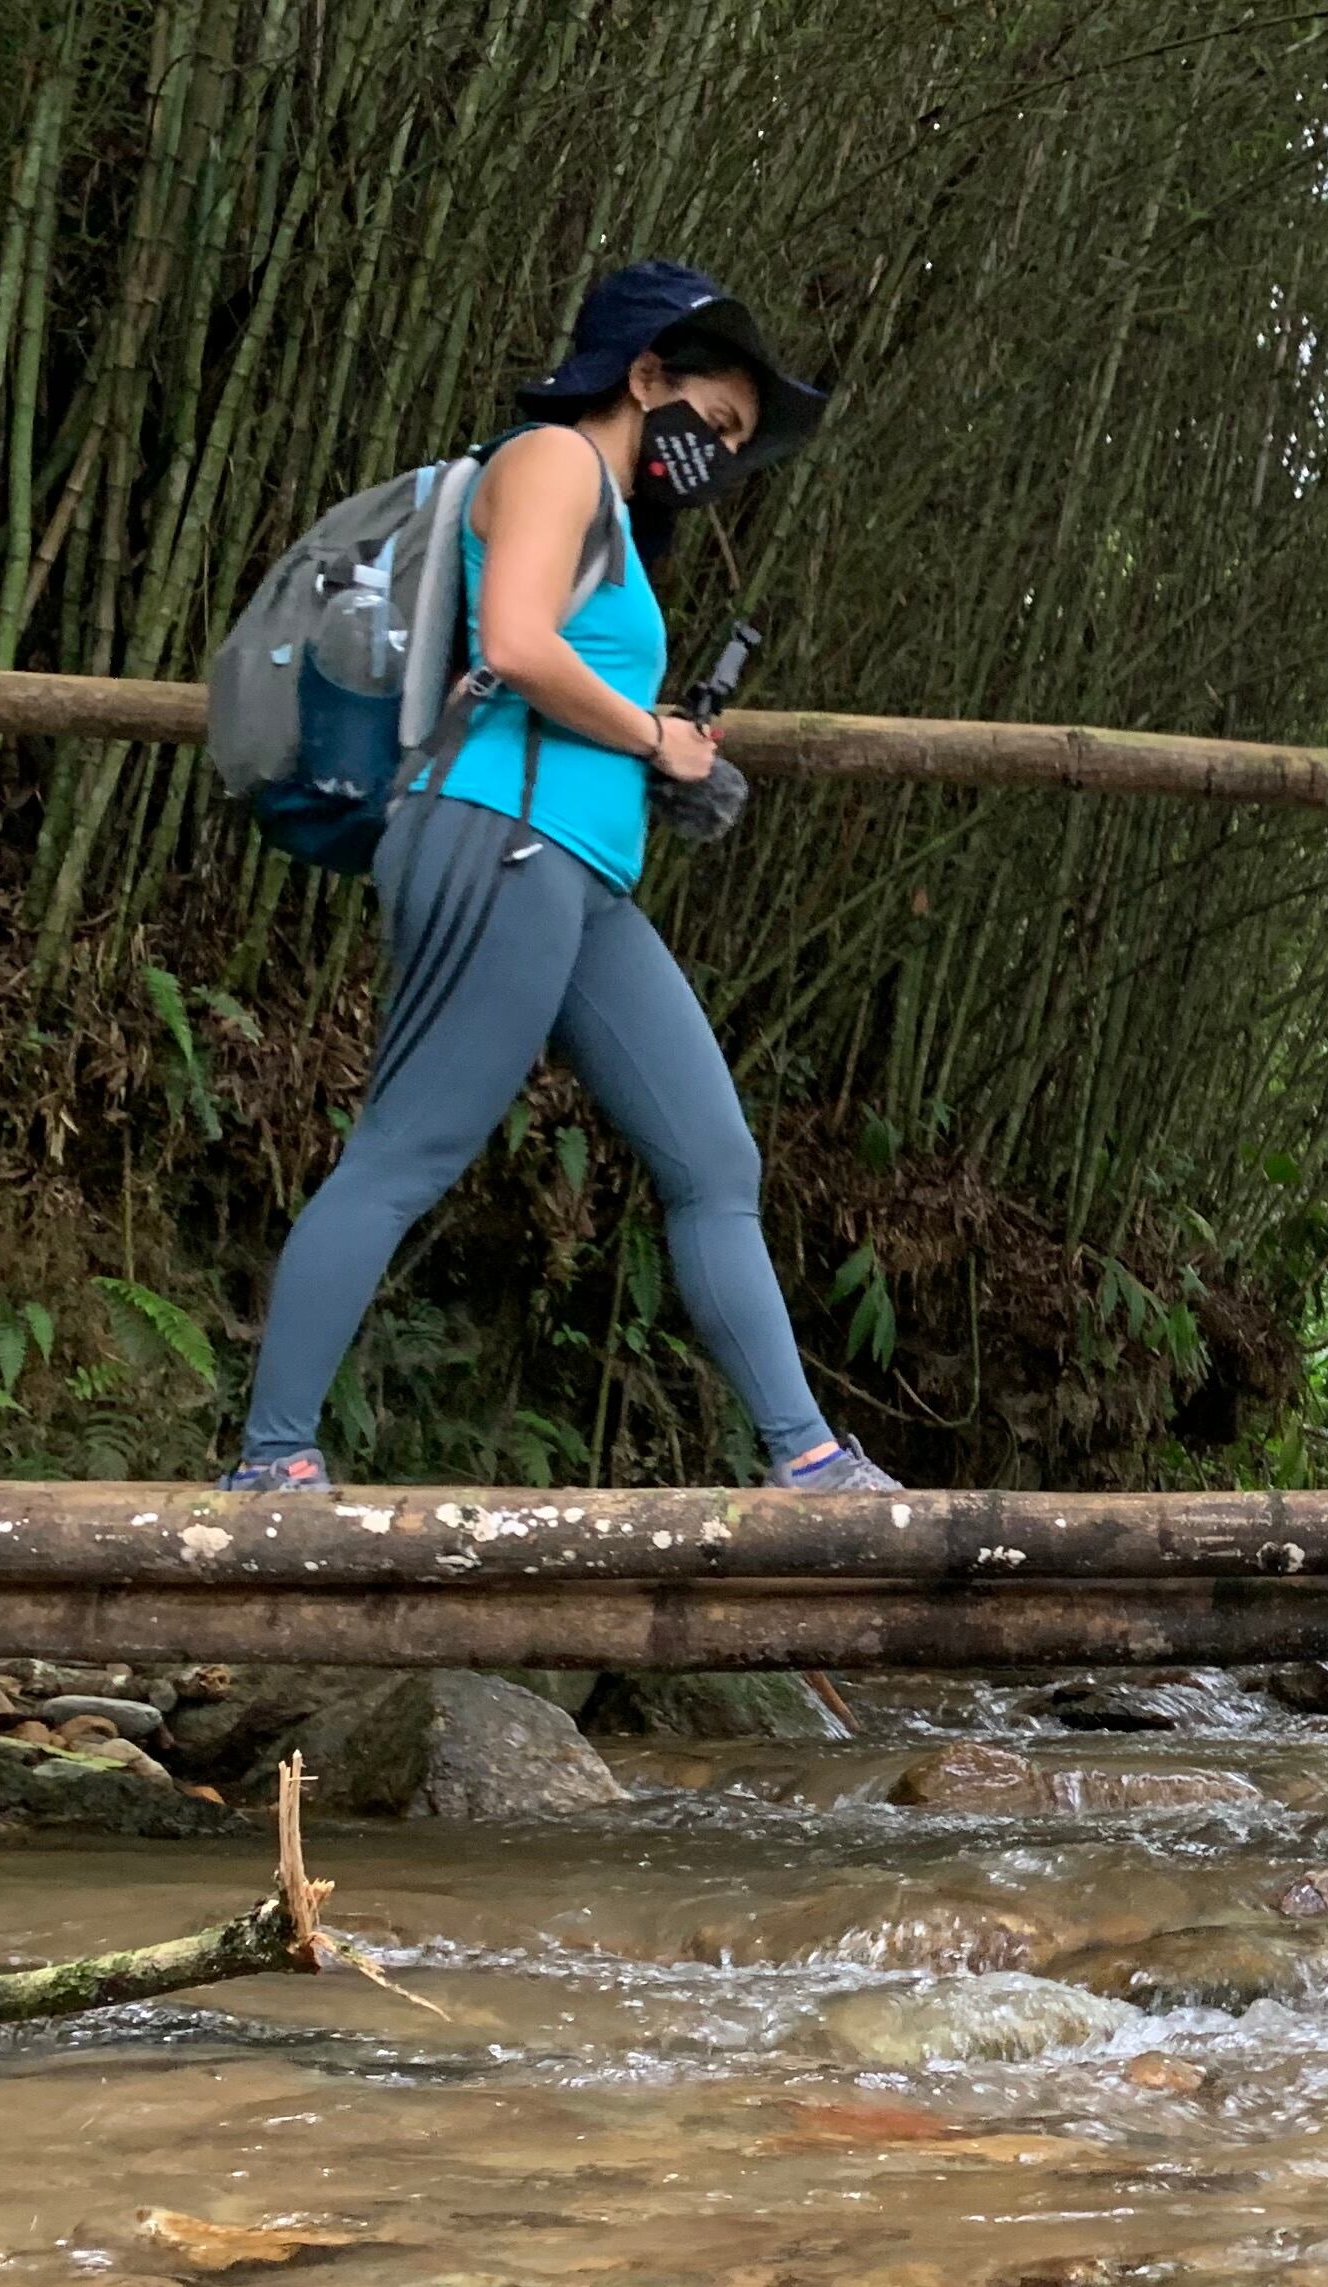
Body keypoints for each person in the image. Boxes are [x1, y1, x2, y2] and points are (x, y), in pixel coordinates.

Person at [222, 261, 896, 1493]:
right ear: (647, 376)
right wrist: (652, 736)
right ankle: (273, 1464)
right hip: (497, 838)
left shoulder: (618, 521)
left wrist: (668, 756)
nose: (720, 455)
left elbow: (564, 667)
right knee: (407, 1152)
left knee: (713, 1162)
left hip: (577, 868)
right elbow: (519, 645)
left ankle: (808, 1460)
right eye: (719, 422)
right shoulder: (552, 462)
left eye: (739, 444)